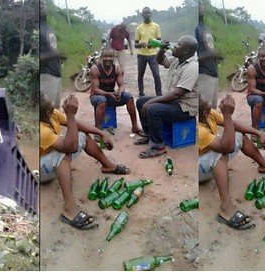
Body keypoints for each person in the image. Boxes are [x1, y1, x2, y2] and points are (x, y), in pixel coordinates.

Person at [39, 93, 131, 230]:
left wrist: (101, 133)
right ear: (47, 111)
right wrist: (70, 115)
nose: (53, 102)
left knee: (81, 135)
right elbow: (70, 147)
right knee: (63, 155)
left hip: (50, 158)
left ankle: (108, 166)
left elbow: (76, 125)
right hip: (41, 171)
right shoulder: (42, 131)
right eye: (50, 101)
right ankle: (68, 210)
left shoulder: (51, 114)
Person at [198, 95, 265, 230]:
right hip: (199, 171)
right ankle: (226, 210)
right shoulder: (199, 130)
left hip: (206, 160)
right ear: (204, 112)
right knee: (220, 154)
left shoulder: (208, 114)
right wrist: (227, 115)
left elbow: (233, 124)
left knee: (238, 135)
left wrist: (258, 133)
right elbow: (226, 147)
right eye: (208, 106)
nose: (211, 107)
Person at [133, 35, 198, 158]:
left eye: (178, 45)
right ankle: (149, 136)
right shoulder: (177, 59)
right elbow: (159, 61)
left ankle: (158, 146)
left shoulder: (192, 67)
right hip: (174, 102)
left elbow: (177, 93)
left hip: (185, 108)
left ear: (185, 51)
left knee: (152, 109)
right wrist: (162, 49)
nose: (174, 46)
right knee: (141, 101)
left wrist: (151, 102)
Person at [90, 47, 142, 135]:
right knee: (102, 101)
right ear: (102, 57)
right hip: (96, 96)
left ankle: (135, 126)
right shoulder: (95, 69)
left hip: (110, 96)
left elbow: (121, 85)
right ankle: (97, 130)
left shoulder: (117, 69)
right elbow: (95, 89)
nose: (108, 59)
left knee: (129, 97)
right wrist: (109, 94)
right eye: (105, 56)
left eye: (110, 57)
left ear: (114, 58)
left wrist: (119, 92)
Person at [196, 0, 222, 109]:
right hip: (203, 73)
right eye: (198, 6)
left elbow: (208, 48)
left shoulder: (205, 28)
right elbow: (191, 57)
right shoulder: (195, 29)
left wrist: (215, 58)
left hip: (213, 72)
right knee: (204, 108)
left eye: (202, 5)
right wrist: (212, 55)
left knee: (213, 110)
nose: (201, 8)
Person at [40, 0, 62, 107]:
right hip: (45, 76)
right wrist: (53, 55)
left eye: (43, 4)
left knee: (56, 114)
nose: (43, 6)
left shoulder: (48, 28)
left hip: (56, 75)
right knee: (47, 114)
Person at [135, 7, 162, 97]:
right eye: (145, 13)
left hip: (153, 55)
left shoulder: (156, 26)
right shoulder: (139, 28)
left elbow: (159, 42)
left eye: (148, 12)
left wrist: (152, 45)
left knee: (157, 75)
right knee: (140, 76)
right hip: (141, 55)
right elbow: (135, 44)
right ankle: (141, 93)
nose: (147, 14)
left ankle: (159, 94)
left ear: (151, 14)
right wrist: (141, 44)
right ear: (142, 14)